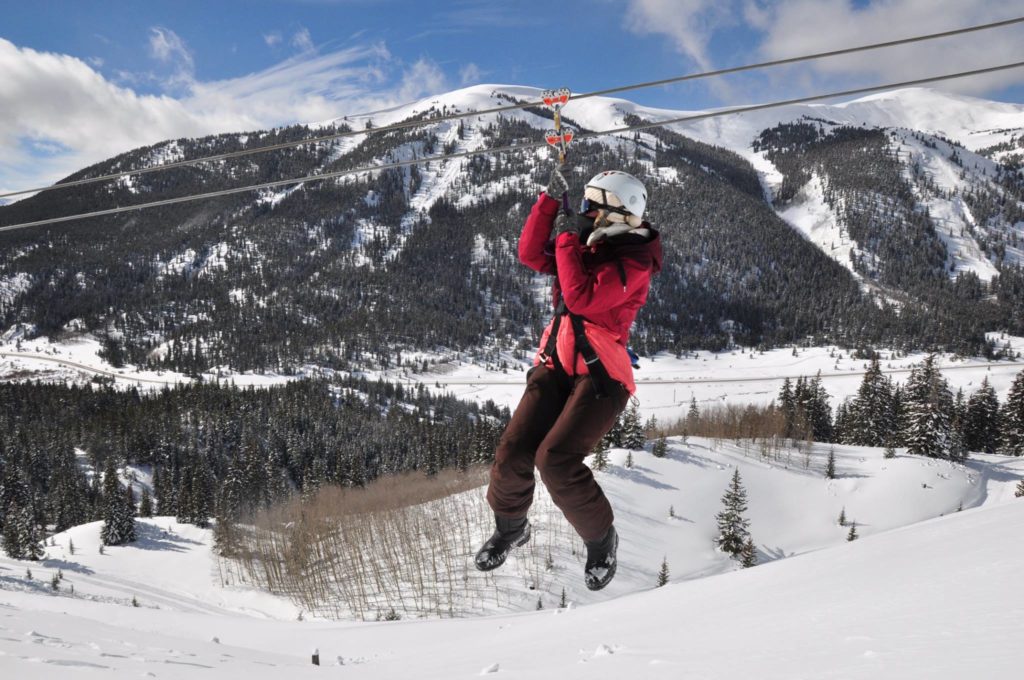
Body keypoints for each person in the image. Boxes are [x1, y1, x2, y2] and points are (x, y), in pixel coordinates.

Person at [474, 167, 663, 590]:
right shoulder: (584, 246)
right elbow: (528, 253)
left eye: (593, 207)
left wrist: (565, 239)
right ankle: (511, 529)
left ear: (619, 213)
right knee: (512, 453)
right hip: (558, 361)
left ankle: (601, 539)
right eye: (585, 205)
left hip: (602, 376)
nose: (586, 213)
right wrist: (547, 204)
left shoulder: (634, 260)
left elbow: (582, 298)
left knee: (555, 460)